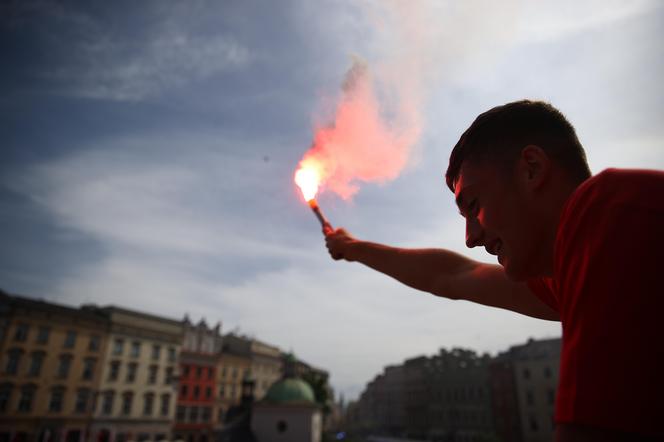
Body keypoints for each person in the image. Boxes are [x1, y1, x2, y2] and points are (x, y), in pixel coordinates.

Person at [324, 100, 664, 441]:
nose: (470, 238)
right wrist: (354, 249)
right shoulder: (582, 256)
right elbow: (452, 276)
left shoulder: (609, 216)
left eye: (474, 205)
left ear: (531, 168)